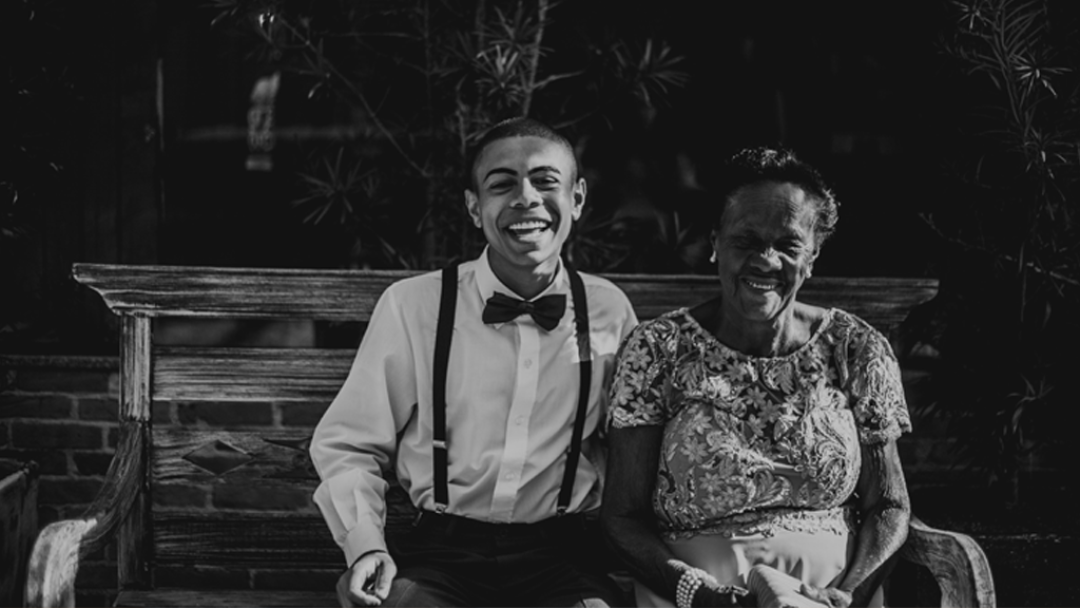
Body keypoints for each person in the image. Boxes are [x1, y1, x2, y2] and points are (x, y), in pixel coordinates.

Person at [311, 117, 638, 607]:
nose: (525, 198)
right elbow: (349, 443)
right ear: (473, 206)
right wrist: (366, 547)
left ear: (577, 198)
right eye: (502, 184)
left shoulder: (608, 310)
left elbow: (629, 447)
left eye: (545, 181)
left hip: (563, 559)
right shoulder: (414, 306)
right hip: (440, 558)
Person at [601, 147, 912, 608]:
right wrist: (697, 593)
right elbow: (622, 517)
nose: (766, 260)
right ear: (715, 242)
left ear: (813, 255)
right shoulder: (658, 349)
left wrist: (847, 596)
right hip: (696, 597)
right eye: (746, 241)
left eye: (788, 245)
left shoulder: (855, 348)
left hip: (826, 598)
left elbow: (888, 504)